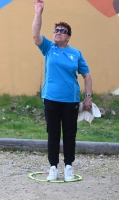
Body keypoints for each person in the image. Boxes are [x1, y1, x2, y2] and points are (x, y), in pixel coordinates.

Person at [32, 0, 93, 181]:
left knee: (69, 134)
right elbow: (35, 35)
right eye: (56, 30)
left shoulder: (76, 53)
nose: (58, 33)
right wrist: (38, 12)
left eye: (62, 31)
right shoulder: (49, 48)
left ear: (68, 37)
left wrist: (88, 97)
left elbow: (87, 75)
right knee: (53, 134)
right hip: (51, 97)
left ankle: (68, 167)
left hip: (71, 99)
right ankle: (53, 167)